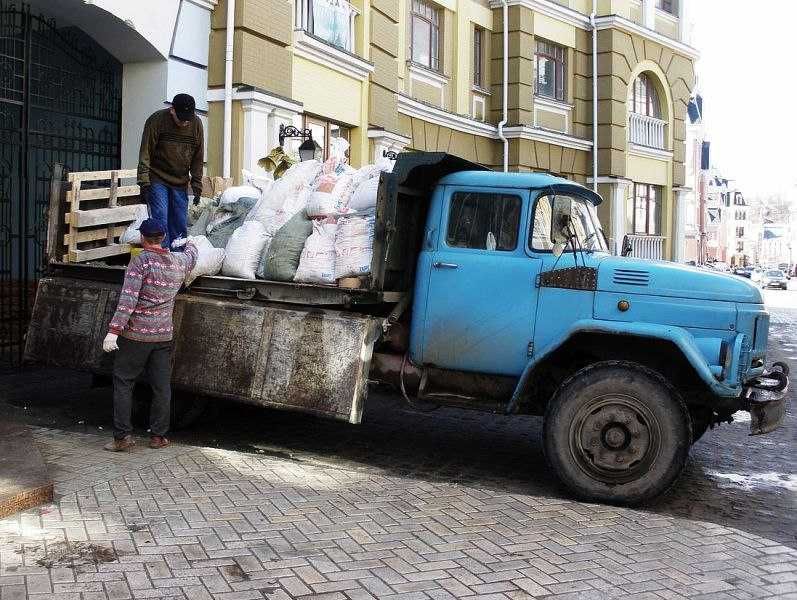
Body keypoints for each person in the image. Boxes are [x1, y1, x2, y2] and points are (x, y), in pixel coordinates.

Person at [102, 219, 198, 451]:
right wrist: (189, 243)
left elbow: (128, 300)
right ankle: (158, 437)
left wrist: (113, 332)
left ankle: (122, 438)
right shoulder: (178, 262)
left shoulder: (140, 262)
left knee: (124, 382)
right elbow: (192, 256)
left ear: (142, 238)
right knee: (161, 387)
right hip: (162, 336)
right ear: (163, 238)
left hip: (136, 336)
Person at [138, 93, 204, 249]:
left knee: (179, 222)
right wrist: (144, 182)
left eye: (187, 119)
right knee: (161, 219)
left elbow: (198, 157)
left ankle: (178, 256)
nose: (184, 122)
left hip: (180, 181)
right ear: (172, 110)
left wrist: (197, 185)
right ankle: (163, 255)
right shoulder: (157, 120)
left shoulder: (196, 124)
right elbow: (145, 152)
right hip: (157, 178)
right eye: (181, 118)